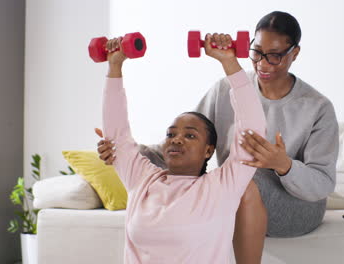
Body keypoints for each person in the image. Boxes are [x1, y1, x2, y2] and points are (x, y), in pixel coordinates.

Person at [97, 11, 339, 264]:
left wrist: (283, 165)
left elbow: (320, 182)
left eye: (275, 56)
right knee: (223, 176)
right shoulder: (223, 90)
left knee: (243, 177)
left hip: (296, 204)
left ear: (295, 53)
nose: (263, 64)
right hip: (235, 191)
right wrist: (122, 151)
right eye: (256, 53)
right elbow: (191, 134)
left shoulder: (317, 107)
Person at [101, 31, 266, 263]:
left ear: (208, 150)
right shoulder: (143, 180)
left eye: (190, 135)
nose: (176, 140)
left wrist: (229, 62)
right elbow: (116, 135)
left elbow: (252, 131)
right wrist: (115, 65)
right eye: (171, 134)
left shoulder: (222, 186)